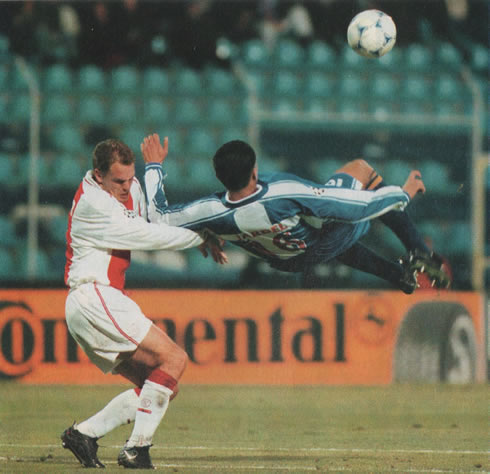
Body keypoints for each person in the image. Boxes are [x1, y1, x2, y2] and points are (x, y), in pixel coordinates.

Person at [60, 138, 225, 469]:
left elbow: (157, 221)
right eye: (117, 181)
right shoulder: (94, 204)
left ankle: (85, 434)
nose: (125, 187)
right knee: (175, 359)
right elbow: (148, 236)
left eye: (129, 178)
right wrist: (202, 236)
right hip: (94, 295)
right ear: (98, 175)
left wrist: (154, 169)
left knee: (160, 385)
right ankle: (137, 449)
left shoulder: (127, 186)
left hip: (100, 300)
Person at [141, 133, 450, 293]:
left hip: (284, 262)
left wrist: (154, 165)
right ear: (254, 170)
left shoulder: (210, 210)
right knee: (361, 170)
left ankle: (398, 275)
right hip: (319, 244)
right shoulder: (282, 193)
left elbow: (158, 217)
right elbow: (361, 207)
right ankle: (420, 252)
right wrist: (403, 193)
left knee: (322, 229)